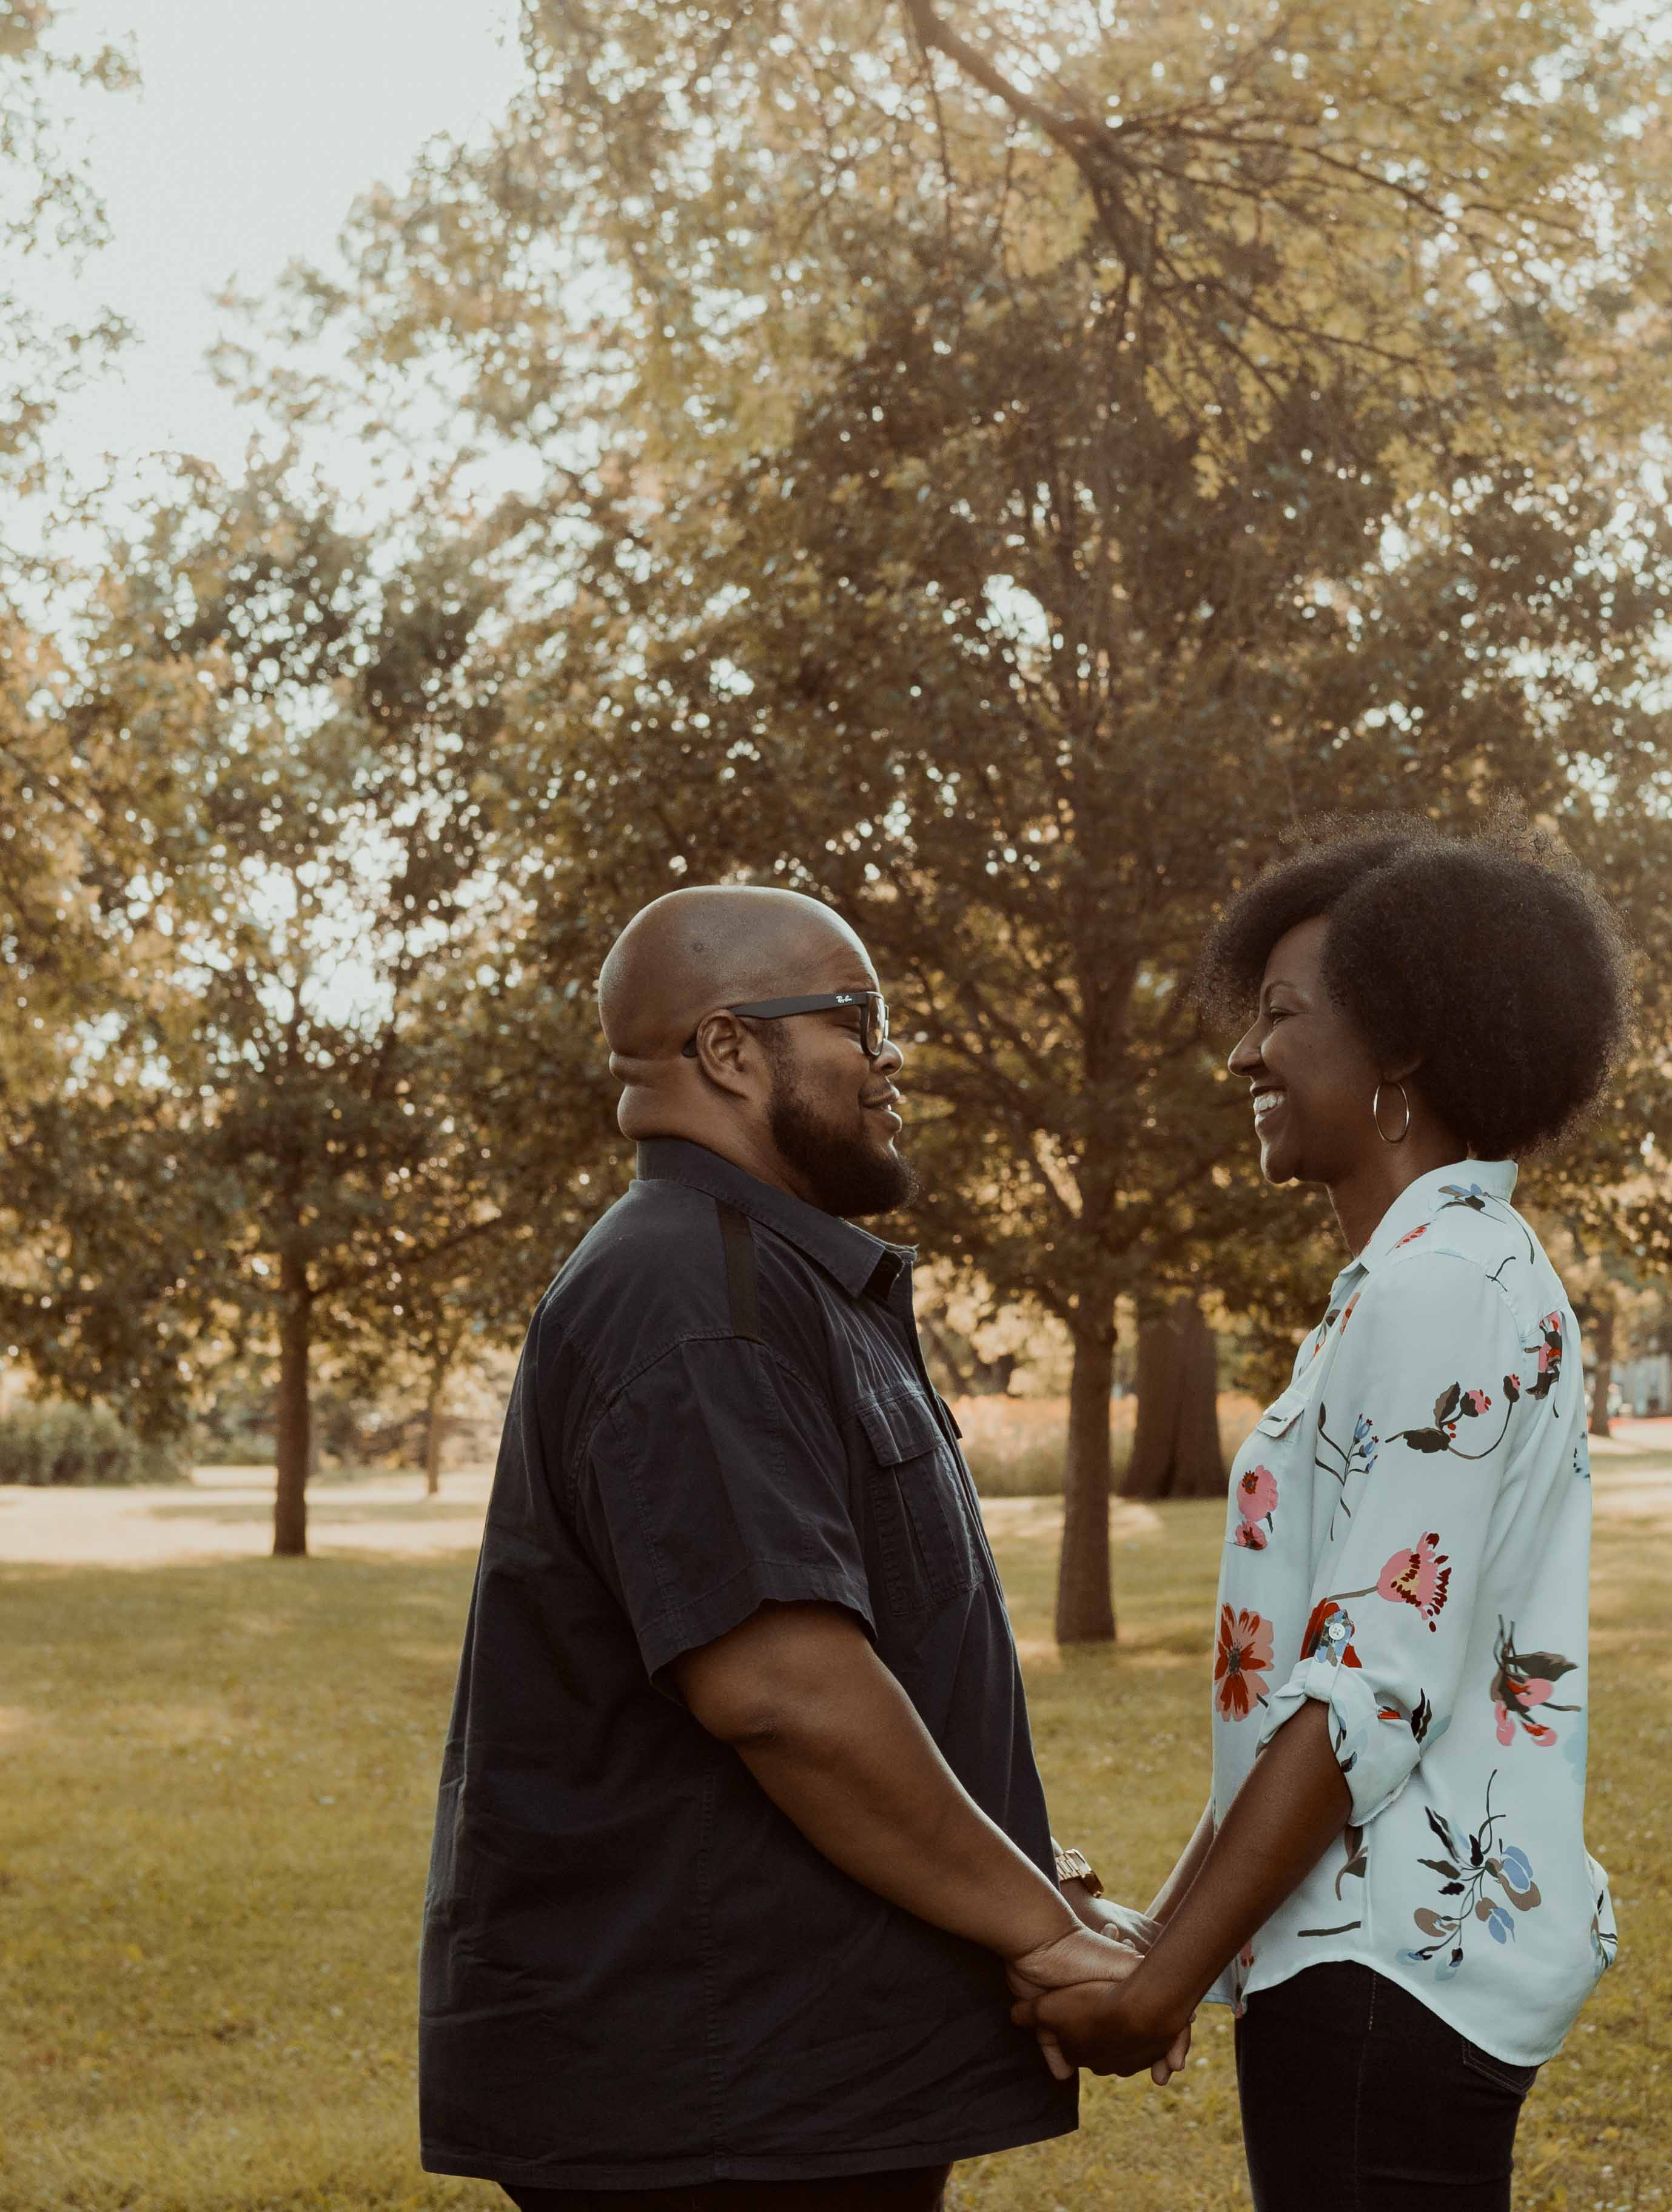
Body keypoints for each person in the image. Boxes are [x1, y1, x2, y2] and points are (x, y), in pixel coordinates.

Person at [420, 883, 1149, 2212]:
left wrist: (1046, 1884)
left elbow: (889, 1659)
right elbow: (786, 1695)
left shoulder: (779, 1278)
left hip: (793, 2079)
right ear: (730, 1051)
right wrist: (1045, 1934)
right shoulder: (692, 1299)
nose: (889, 1064)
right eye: (859, 1021)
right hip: (715, 2104)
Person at [1023, 823, 1627, 2211]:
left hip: (1390, 1981)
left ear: (1403, 1050)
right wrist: (1175, 1940)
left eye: (1283, 1017)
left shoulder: (1448, 1285)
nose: (1244, 1056)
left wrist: (1152, 1989)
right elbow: (1315, 1685)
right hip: (1364, 1962)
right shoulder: (1415, 1277)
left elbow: (1371, 1685)